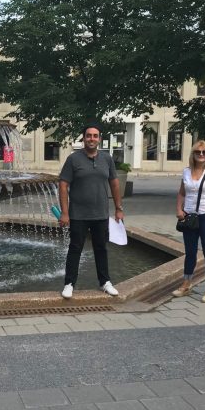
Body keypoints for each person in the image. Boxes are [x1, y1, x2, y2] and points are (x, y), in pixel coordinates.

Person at [57, 121, 124, 299]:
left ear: (99, 139)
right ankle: (69, 283)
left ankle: (105, 281)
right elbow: (63, 185)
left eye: (95, 136)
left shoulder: (107, 159)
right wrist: (65, 212)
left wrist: (118, 208)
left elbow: (114, 183)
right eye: (88, 136)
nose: (91, 139)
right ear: (84, 138)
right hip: (78, 214)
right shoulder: (73, 159)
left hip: (100, 214)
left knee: (101, 248)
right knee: (75, 249)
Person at [173, 140, 205, 302]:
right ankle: (186, 283)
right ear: (193, 154)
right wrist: (179, 210)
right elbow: (182, 193)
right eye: (198, 152)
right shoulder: (186, 172)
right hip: (189, 216)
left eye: (204, 152)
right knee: (190, 252)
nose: (201, 154)